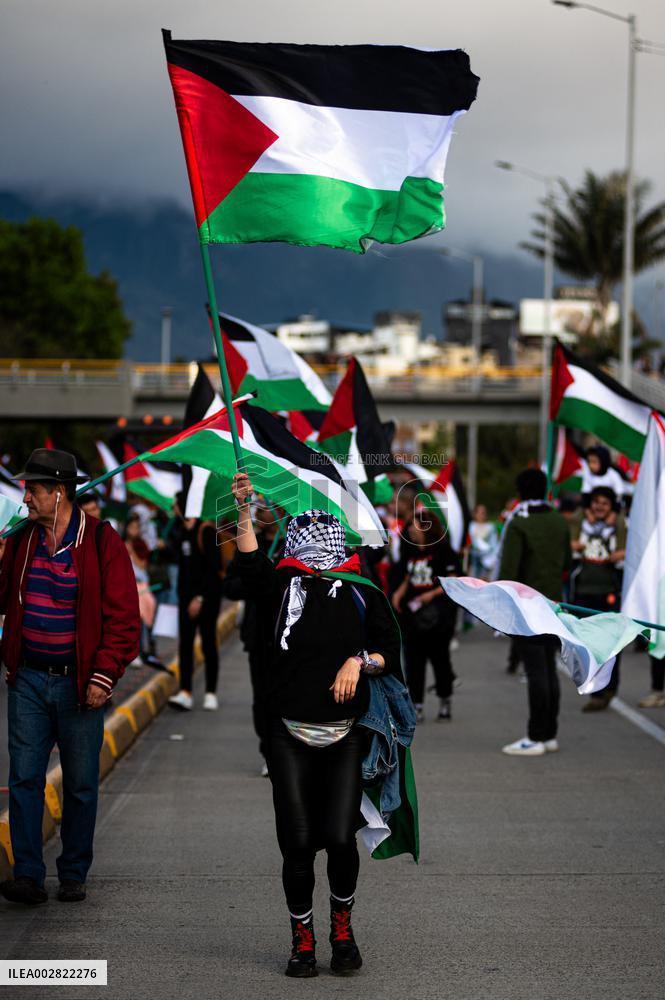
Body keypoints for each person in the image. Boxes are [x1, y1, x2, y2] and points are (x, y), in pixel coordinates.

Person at [231, 472, 401, 978]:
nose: (313, 546)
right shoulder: (278, 583)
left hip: (345, 734)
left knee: (340, 838)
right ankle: (301, 940)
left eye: (322, 537)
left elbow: (389, 652)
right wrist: (245, 508)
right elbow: (248, 560)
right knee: (298, 841)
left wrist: (360, 661)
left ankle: (342, 929)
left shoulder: (360, 591)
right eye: (305, 537)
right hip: (287, 733)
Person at [0, 449, 139, 905]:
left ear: (59, 494)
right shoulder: (21, 541)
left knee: (80, 783)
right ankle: (28, 874)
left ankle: (74, 870)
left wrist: (103, 675)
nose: (26, 497)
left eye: (34, 490)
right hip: (28, 681)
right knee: (23, 777)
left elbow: (124, 619)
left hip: (80, 684)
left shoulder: (102, 541)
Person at [499, 468, 571, 756]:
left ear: (520, 492)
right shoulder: (558, 520)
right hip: (554, 604)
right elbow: (567, 560)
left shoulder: (518, 523)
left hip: (528, 607)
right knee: (549, 669)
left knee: (536, 672)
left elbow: (508, 573)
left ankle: (535, 736)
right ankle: (550, 733)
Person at [223, 502, 286, 774]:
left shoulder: (291, 542)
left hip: (285, 633)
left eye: (267, 507)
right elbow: (230, 586)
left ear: (281, 512)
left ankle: (287, 749)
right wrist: (255, 579)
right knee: (261, 696)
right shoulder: (249, 542)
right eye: (258, 507)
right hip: (257, 632)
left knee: (284, 693)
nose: (261, 512)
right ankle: (268, 752)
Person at [391, 512, 461, 723]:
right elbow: (408, 576)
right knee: (414, 661)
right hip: (414, 617)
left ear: (426, 528)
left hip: (439, 617)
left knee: (440, 660)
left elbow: (454, 579)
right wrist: (399, 593)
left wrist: (431, 594)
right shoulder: (411, 551)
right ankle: (416, 705)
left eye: (414, 526)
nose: (411, 530)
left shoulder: (444, 550)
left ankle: (444, 700)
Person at [168, 497, 234, 712]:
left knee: (208, 644)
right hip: (186, 600)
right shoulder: (180, 532)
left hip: (207, 599)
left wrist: (200, 598)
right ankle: (185, 691)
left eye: (175, 504)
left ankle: (210, 692)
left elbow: (214, 570)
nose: (173, 509)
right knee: (185, 645)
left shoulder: (206, 530)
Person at [570, 486, 627, 711]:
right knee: (588, 643)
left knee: (611, 643)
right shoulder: (582, 524)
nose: (599, 506)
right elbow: (574, 518)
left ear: (612, 506)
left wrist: (620, 552)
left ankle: (607, 689)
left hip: (609, 592)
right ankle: (596, 689)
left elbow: (629, 543)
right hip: (583, 591)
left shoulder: (619, 525)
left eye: (604, 503)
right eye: (595, 502)